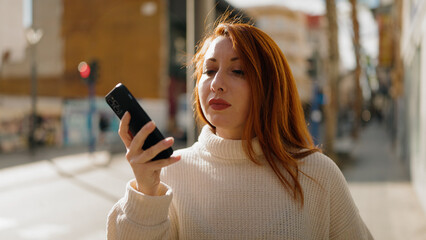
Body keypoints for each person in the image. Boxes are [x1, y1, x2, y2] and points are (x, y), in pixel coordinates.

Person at [107, 17, 373, 240]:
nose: (217, 84)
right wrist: (145, 191)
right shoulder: (169, 174)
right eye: (209, 71)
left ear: (269, 87)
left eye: (238, 71)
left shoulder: (317, 174)